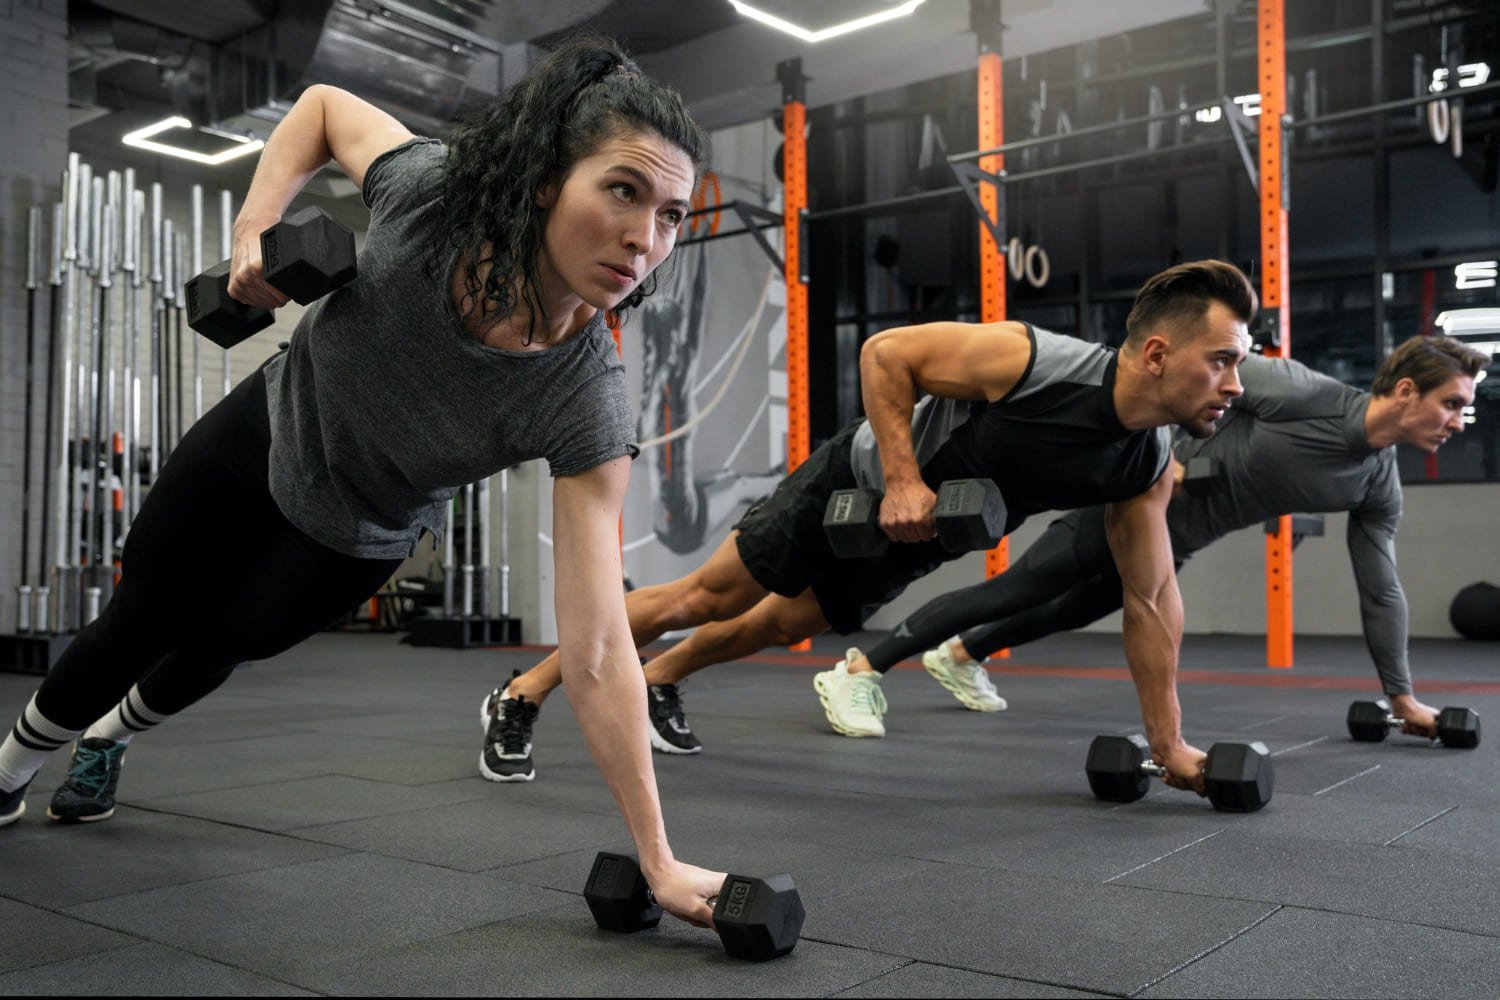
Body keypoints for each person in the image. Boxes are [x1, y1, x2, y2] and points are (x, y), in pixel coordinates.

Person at [0, 35, 728, 927]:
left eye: (670, 215)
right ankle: (10, 770)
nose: (642, 237)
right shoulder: (430, 195)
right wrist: (251, 233)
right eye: (623, 189)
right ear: (547, 181)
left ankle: (109, 740)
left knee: (219, 642)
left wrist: (658, 858)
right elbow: (319, 108)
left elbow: (603, 647)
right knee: (139, 614)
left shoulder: (584, 402)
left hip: (351, 534)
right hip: (262, 430)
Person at [480, 259, 1256, 795]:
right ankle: (522, 693)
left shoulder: (1144, 467)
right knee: (704, 598)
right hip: (854, 484)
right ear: (1158, 352)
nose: (1235, 384)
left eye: (1241, 364)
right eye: (1223, 360)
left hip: (918, 536)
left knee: (778, 627)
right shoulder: (1036, 362)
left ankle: (660, 681)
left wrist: (1169, 743)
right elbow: (889, 354)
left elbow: (1152, 602)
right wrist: (903, 478)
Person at [896, 334, 1489, 737]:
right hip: (1130, 505)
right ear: (1407, 390)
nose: (1461, 423)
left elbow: (1381, 591)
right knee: (1017, 590)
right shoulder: (1306, 392)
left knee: (1068, 613)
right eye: (1453, 404)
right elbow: (1184, 380)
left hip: (1176, 543)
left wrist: (1401, 695)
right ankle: (860, 669)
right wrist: (1166, 452)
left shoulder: (1377, 484)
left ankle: (960, 654)